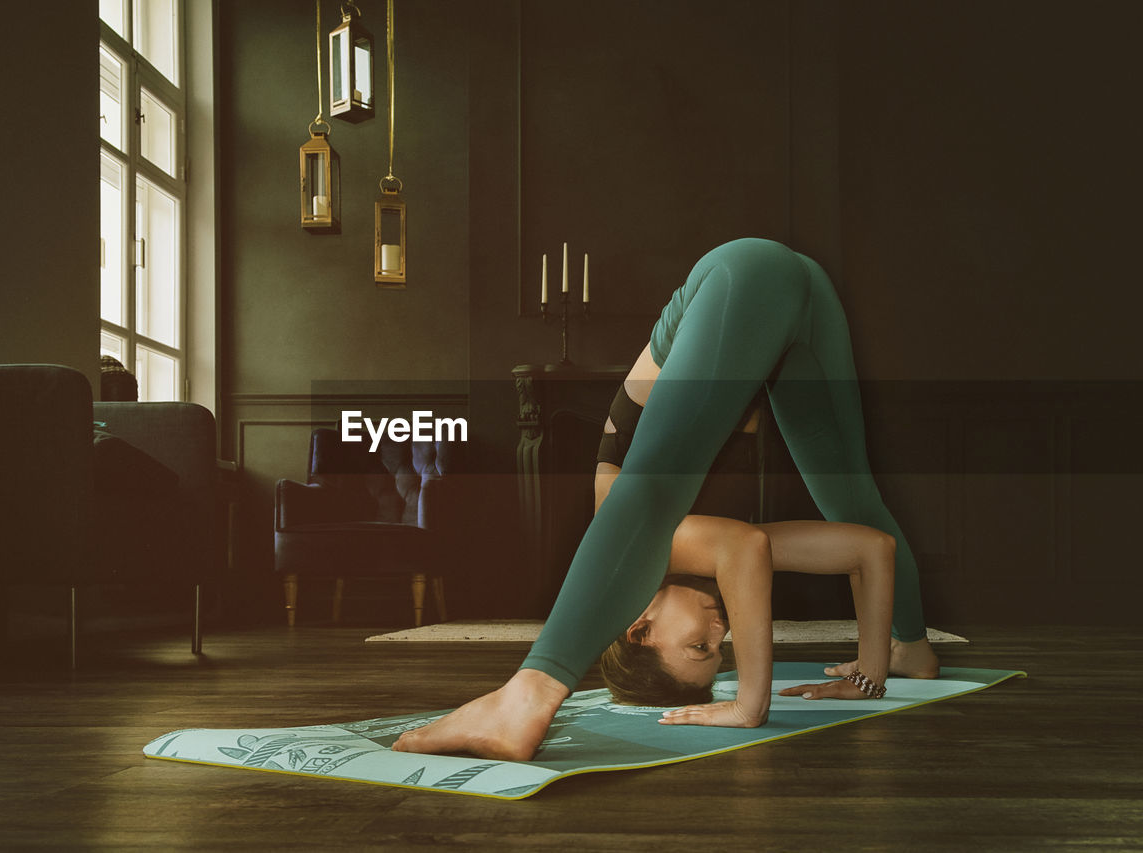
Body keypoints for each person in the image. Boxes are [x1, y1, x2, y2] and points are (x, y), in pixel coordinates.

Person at [393, 238, 938, 760]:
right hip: (806, 298)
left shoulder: (650, 540)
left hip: (745, 279)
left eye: (700, 647)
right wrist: (872, 671)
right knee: (854, 501)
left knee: (648, 494)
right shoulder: (712, 555)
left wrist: (750, 705)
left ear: (642, 628)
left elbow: (736, 544)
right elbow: (871, 548)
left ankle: (525, 698)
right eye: (719, 653)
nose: (722, 634)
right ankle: (913, 648)